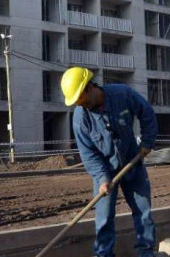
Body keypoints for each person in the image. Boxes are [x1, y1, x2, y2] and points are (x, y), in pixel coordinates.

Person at [60, 67, 157, 257]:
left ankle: (146, 252)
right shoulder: (81, 118)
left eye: (81, 98)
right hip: (105, 170)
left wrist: (147, 142)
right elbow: (88, 154)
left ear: (89, 88)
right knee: (104, 218)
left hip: (132, 162)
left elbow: (147, 113)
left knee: (143, 212)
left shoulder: (122, 94)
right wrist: (102, 178)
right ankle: (103, 255)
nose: (80, 104)